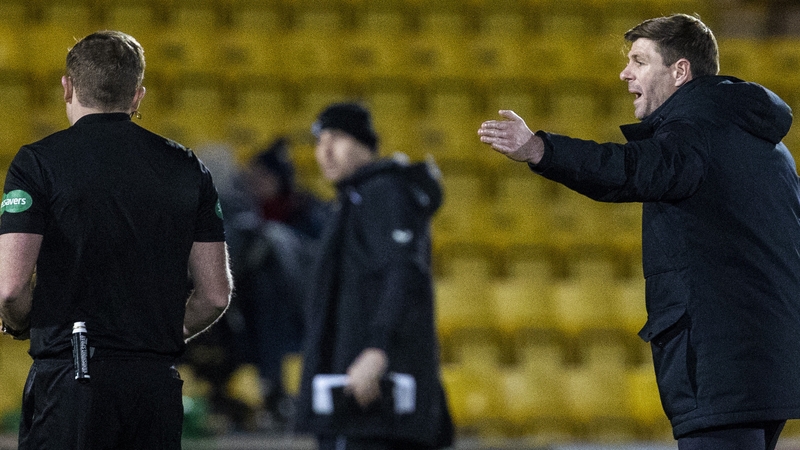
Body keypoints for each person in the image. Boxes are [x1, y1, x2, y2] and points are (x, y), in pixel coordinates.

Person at [478, 13, 800, 450]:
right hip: (769, 364)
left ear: (680, 70)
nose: (624, 73)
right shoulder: (769, 146)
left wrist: (541, 149)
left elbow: (630, 169)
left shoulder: (694, 132)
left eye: (639, 61)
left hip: (718, 365)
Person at [0, 30, 232, 449]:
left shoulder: (37, 163)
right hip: (154, 386)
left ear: (67, 87)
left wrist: (20, 323)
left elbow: (10, 287)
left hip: (70, 380)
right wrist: (155, 335)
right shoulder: (186, 168)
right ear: (138, 95)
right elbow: (215, 295)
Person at [294, 102, 454, 450]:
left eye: (336, 138)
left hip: (377, 399)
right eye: (320, 142)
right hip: (352, 392)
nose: (325, 151)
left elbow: (403, 273)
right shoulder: (353, 199)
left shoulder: (385, 193)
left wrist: (377, 350)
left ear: (363, 143)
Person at [224, 137, 330, 428]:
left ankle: (277, 394)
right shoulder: (239, 213)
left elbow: (318, 265)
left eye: (263, 176)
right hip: (246, 312)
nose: (255, 183)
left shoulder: (309, 212)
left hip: (296, 308)